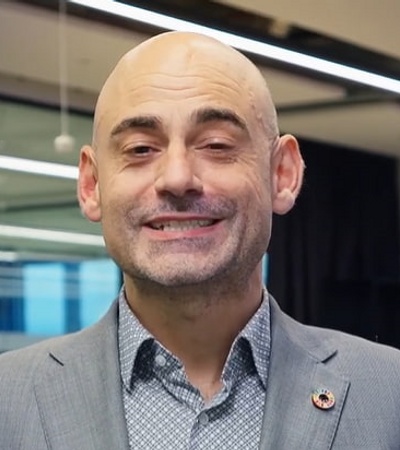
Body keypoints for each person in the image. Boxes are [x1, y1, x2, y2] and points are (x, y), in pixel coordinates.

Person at [1, 31, 400, 450]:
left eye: (216, 144)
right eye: (140, 149)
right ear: (91, 184)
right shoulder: (8, 401)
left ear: (282, 174)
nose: (177, 178)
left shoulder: (389, 395)